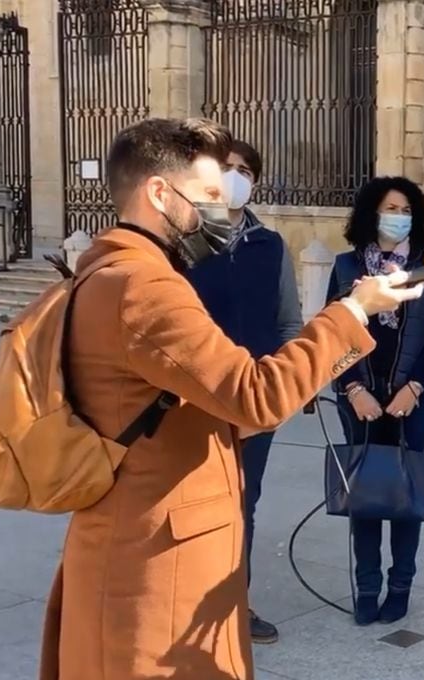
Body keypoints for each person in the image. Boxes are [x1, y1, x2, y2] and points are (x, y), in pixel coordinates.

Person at [39, 117, 424, 680]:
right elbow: (255, 395)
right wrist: (353, 311)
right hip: (155, 563)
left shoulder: (114, 268)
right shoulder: (144, 286)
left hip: (159, 532)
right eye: (211, 194)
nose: (222, 209)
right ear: (159, 193)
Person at [184, 139, 301, 644]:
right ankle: (184, 604)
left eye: (245, 170)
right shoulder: (183, 242)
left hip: (254, 403)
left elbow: (288, 323)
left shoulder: (270, 246)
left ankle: (235, 604)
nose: (235, 177)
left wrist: (286, 388)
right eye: (226, 168)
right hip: (190, 402)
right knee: (188, 504)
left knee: (242, 505)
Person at [325, 176, 424, 626]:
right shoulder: (344, 268)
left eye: (404, 209)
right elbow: (332, 331)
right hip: (360, 399)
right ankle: (367, 587)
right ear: (370, 213)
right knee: (365, 495)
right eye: (388, 208)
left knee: (403, 493)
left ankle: (400, 587)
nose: (396, 217)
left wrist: (413, 387)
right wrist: (353, 390)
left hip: (412, 400)